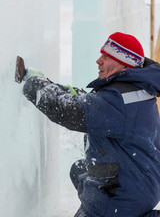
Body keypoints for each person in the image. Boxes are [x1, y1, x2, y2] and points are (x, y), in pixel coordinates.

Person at [22, 32, 160, 217]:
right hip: (142, 183)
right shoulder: (137, 90)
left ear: (123, 64)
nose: (98, 61)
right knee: (79, 169)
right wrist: (60, 88)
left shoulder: (118, 101)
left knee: (93, 198)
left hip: (121, 197)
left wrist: (34, 83)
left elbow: (69, 111)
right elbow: (95, 104)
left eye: (106, 56)